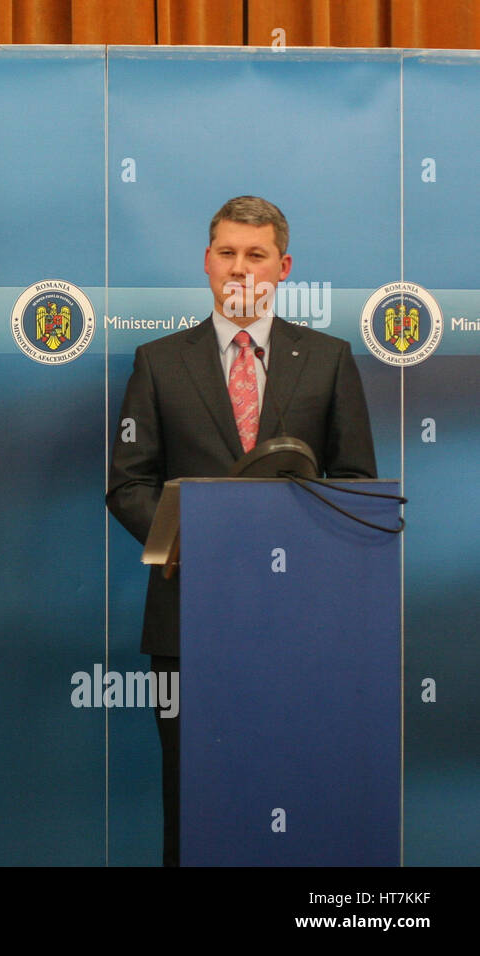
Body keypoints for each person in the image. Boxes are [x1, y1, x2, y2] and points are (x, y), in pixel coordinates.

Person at [106, 196, 377, 865]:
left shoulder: (329, 359)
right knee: (197, 807)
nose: (240, 267)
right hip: (189, 620)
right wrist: (195, 542)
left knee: (298, 797)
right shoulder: (159, 363)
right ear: (207, 263)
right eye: (227, 252)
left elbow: (355, 486)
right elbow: (127, 484)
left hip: (303, 626)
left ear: (283, 267)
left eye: (255, 254)